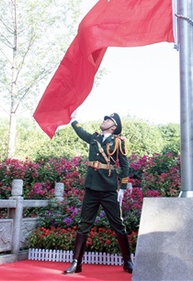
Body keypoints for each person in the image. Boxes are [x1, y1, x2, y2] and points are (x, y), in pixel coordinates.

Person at [63, 111, 133, 275]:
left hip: (109, 190)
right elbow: (81, 133)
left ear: (114, 127)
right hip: (92, 188)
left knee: (118, 225)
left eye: (108, 120)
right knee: (84, 225)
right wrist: (74, 120)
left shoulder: (118, 142)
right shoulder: (94, 138)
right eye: (105, 119)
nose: (104, 121)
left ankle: (127, 261)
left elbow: (125, 165)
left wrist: (122, 188)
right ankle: (76, 263)